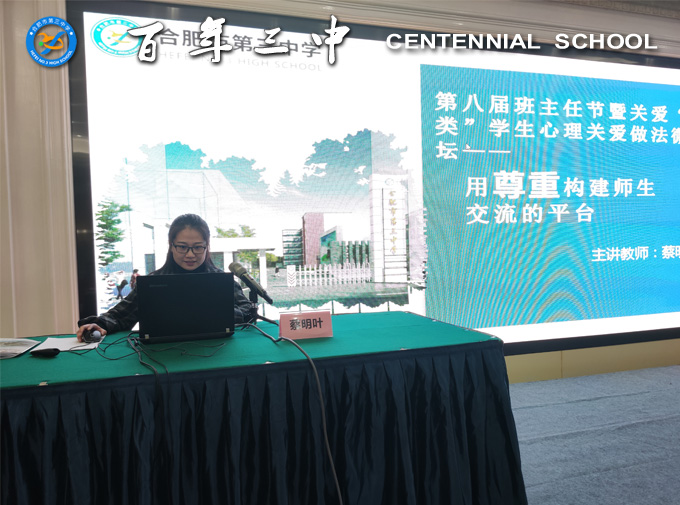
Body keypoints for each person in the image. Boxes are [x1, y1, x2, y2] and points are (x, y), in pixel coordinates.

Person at [77, 214, 254, 341]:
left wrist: (218, 311)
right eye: (182, 247)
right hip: (160, 359)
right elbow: (120, 315)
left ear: (207, 246)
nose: (190, 254)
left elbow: (247, 311)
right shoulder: (153, 282)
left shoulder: (221, 280)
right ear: (171, 246)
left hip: (219, 353)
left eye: (198, 247)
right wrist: (99, 324)